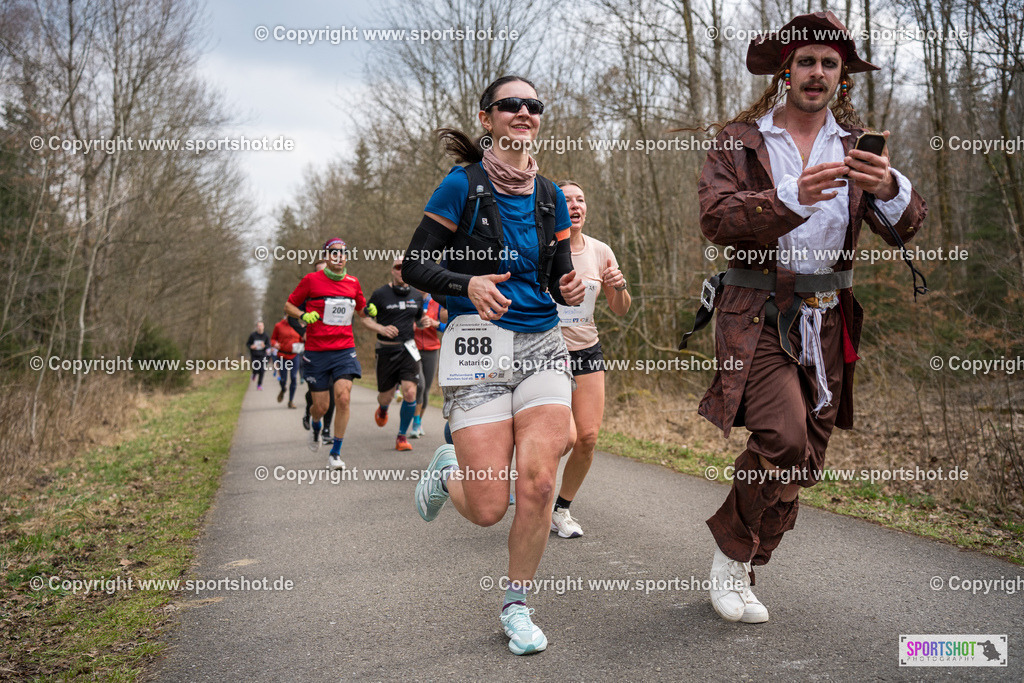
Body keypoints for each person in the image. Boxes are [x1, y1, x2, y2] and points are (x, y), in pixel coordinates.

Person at [690, 11, 927, 624]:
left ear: (841, 76)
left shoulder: (853, 149)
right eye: (806, 62)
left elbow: (906, 224)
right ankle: (728, 556)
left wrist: (889, 186)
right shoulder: (740, 140)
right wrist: (791, 197)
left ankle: (746, 564)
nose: (816, 73)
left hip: (829, 319)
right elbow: (716, 219)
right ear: (784, 72)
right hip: (759, 310)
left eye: (829, 63)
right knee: (784, 437)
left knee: (804, 463)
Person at [402, 75, 584, 655]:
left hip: (540, 344)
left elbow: (554, 273)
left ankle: (516, 603)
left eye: (533, 105)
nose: (524, 112)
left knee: (537, 481)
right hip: (475, 344)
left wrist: (570, 281)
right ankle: (447, 466)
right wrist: (467, 283)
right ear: (488, 119)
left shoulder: (550, 195)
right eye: (511, 105)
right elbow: (414, 265)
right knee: (486, 508)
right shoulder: (461, 187)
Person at [550, 181, 631, 538]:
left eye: (580, 199)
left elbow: (620, 309)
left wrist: (619, 286)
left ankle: (560, 509)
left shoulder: (601, 251)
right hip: (546, 351)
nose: (575, 205)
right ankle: (530, 488)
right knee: (561, 437)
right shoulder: (545, 248)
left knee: (588, 437)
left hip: (587, 351)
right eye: (567, 200)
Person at [285, 239, 370, 470]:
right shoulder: (311, 281)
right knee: (320, 407)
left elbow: (362, 310)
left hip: (344, 350)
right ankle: (315, 426)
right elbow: (289, 305)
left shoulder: (353, 282)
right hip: (317, 352)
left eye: (343, 253)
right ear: (327, 256)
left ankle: (335, 453)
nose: (339, 257)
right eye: (334, 253)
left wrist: (369, 310)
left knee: (343, 397)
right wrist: (303, 316)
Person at [366, 258, 425, 451]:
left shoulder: (417, 295)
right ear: (392, 271)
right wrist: (381, 328)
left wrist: (427, 322)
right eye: (398, 267)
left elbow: (419, 319)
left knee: (410, 391)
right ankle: (383, 408)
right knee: (386, 396)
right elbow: (365, 318)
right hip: (386, 350)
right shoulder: (380, 294)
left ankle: (401, 436)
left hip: (408, 349)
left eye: (405, 267)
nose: (401, 271)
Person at [409, 292, 447, 438]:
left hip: (432, 349)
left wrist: (434, 323)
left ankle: (417, 422)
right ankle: (415, 422)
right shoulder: (412, 299)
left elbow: (446, 325)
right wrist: (413, 325)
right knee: (420, 385)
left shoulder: (438, 300)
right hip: (413, 348)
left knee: (425, 390)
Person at [271, 316, 303, 408]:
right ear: (286, 315)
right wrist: (275, 344)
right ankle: (283, 389)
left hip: (294, 355)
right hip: (282, 356)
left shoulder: (298, 326)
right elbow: (273, 339)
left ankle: (291, 401)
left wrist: (303, 338)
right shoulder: (278, 326)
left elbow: (302, 339)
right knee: (283, 379)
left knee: (293, 377)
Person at [246, 321, 270, 389]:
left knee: (262, 370)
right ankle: (254, 374)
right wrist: (251, 346)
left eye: (261, 326)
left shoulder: (266, 335)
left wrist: (264, 346)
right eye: (258, 326)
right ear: (257, 327)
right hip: (254, 355)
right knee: (255, 368)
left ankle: (259, 385)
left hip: (262, 355)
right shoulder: (253, 335)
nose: (260, 327)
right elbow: (248, 344)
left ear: (263, 327)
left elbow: (268, 345)